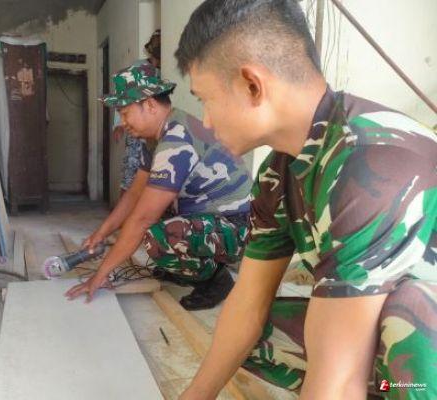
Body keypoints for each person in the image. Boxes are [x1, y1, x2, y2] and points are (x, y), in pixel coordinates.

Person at [174, 0, 437, 399]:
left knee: (407, 323)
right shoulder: (279, 173)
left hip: (423, 351)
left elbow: (341, 381)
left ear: (252, 85)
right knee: (257, 332)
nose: (206, 121)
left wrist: (336, 382)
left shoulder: (370, 162)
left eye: (204, 99)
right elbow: (248, 303)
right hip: (396, 354)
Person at [65, 63, 253, 310]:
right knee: (150, 215)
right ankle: (188, 267)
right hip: (213, 218)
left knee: (157, 237)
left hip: (237, 227)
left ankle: (215, 280)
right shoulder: (156, 138)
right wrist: (102, 232)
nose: (123, 122)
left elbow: (142, 218)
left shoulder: (175, 141)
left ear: (150, 105)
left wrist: (99, 275)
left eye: (125, 113)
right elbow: (135, 193)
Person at [114, 29, 162, 196]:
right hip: (137, 128)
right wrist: (119, 123)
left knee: (154, 175)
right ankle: (124, 210)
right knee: (130, 174)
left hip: (156, 129)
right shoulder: (139, 67)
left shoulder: (166, 69)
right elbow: (123, 94)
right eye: (156, 43)